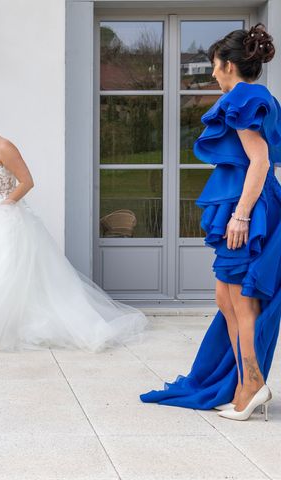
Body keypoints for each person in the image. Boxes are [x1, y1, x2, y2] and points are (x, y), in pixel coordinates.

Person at [141, 24, 281, 421]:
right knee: (227, 298)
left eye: (215, 66)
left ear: (230, 65)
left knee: (240, 298)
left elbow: (260, 161)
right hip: (250, 201)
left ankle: (252, 383)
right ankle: (242, 382)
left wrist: (241, 214)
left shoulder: (242, 98)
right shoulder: (257, 96)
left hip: (245, 205)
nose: (213, 73)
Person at [0, 105, 147, 352]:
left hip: (4, 217)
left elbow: (26, 182)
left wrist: (3, 206)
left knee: (5, 271)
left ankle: (15, 325)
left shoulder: (5, 147)